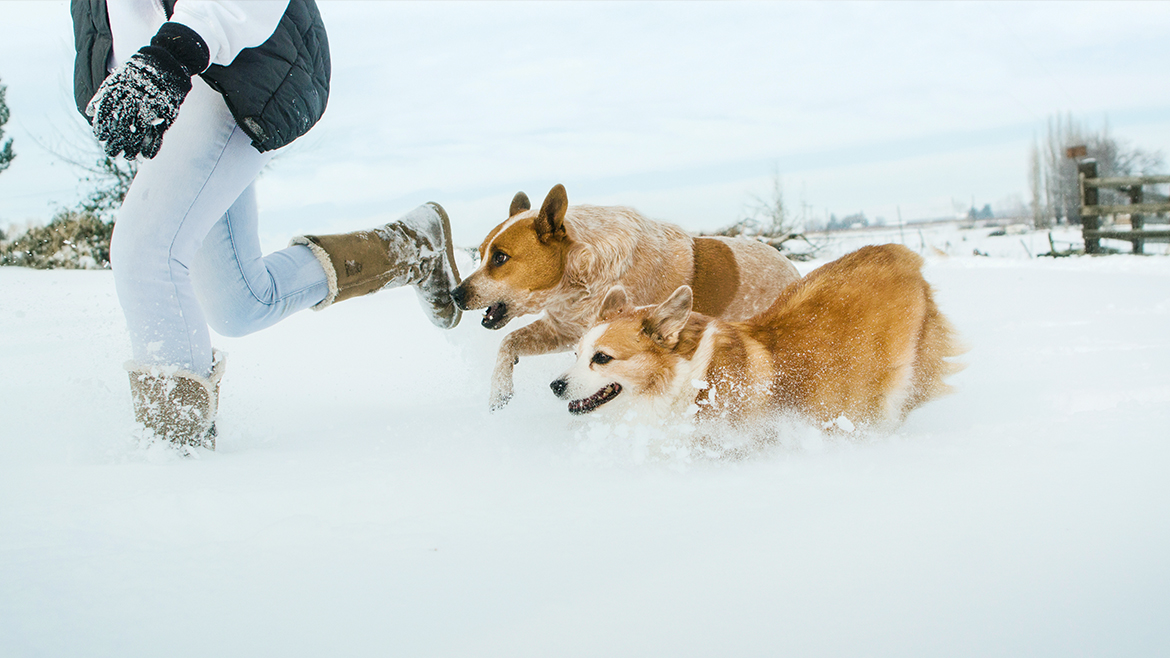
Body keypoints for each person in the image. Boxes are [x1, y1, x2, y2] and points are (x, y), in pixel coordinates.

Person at [71, 0, 462, 450]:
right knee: (240, 304)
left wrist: (169, 57)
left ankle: (175, 457)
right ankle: (411, 246)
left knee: (146, 255)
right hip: (166, 103)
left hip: (222, 71)